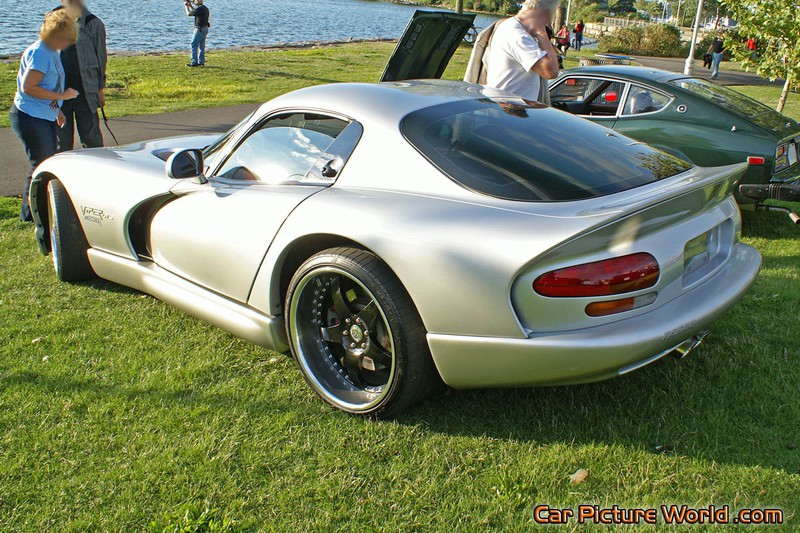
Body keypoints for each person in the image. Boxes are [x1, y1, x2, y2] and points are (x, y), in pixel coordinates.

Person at [10, 10, 79, 222]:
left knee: (46, 161)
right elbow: (28, 87)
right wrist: (62, 96)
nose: (67, 43)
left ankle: (38, 211)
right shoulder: (40, 53)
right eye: (65, 38)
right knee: (41, 165)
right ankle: (30, 215)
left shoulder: (52, 51)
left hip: (43, 114)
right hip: (29, 116)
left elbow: (48, 84)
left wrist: (57, 109)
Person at [54, 0, 107, 152]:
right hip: (59, 92)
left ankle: (96, 164)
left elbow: (101, 58)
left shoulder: (93, 23)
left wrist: (100, 89)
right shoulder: (54, 18)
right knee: (61, 140)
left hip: (86, 91)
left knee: (91, 139)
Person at [482, 0, 560, 103]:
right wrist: (541, 32)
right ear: (544, 13)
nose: (548, 24)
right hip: (508, 107)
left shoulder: (509, 26)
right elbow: (551, 72)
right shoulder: (518, 35)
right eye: (548, 18)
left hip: (507, 105)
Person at [185, 0, 210, 67]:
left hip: (199, 29)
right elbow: (195, 12)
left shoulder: (200, 9)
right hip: (205, 29)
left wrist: (186, 7)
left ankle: (194, 62)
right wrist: (190, 6)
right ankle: (201, 62)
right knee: (201, 46)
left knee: (193, 44)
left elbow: (189, 14)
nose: (194, 1)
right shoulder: (204, 8)